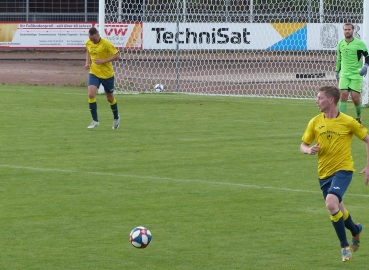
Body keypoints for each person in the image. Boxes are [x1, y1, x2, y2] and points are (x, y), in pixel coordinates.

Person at [300, 85, 369, 262]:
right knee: (338, 208)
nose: (317, 101)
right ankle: (355, 230)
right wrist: (308, 150)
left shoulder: (348, 121)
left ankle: (344, 247)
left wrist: (368, 166)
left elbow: (368, 139)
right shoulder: (315, 122)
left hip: (343, 170)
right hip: (324, 173)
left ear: (331, 100)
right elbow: (303, 145)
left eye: (320, 98)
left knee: (331, 204)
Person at [84, 27, 121, 129]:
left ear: (98, 35)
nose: (93, 41)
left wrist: (103, 61)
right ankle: (95, 120)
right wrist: (87, 63)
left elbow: (117, 55)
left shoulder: (106, 43)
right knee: (91, 94)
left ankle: (116, 117)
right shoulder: (88, 42)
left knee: (109, 98)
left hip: (107, 74)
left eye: (94, 40)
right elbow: (88, 50)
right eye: (91, 40)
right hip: (94, 73)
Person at [336, 23, 369, 124]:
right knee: (343, 95)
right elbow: (339, 59)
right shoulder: (340, 44)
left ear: (353, 30)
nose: (347, 31)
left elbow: (367, 56)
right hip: (344, 74)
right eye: (345, 29)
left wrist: (366, 66)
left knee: (355, 98)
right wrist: (337, 71)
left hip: (356, 74)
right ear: (343, 31)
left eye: (349, 29)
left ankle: (359, 117)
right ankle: (342, 120)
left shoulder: (359, 44)